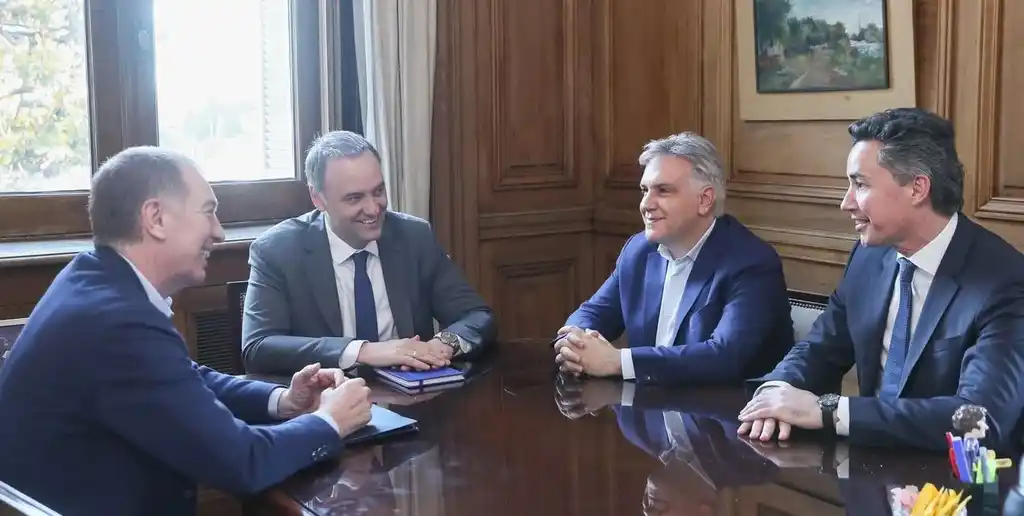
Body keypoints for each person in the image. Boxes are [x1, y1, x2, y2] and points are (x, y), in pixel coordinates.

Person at [0, 147, 373, 515]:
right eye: (208, 213)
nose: (220, 233)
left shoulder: (92, 277)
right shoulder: (119, 323)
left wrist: (282, 401)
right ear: (156, 218)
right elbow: (244, 463)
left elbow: (184, 379)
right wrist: (329, 421)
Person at [738, 107, 1024, 454]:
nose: (846, 203)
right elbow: (820, 349)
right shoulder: (869, 258)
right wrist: (775, 391)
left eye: (860, 184)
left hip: (955, 489)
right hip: (868, 477)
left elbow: (980, 419)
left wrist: (829, 411)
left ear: (917, 188)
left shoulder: (1006, 282)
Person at [242, 131, 496, 376]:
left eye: (378, 191)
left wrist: (440, 346)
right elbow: (258, 347)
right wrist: (363, 352)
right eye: (354, 198)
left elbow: (476, 316)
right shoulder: (278, 251)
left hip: (411, 400)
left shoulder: (414, 237)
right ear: (318, 199)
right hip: (324, 405)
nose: (373, 209)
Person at [553, 132, 793, 385]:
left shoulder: (751, 262)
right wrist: (574, 343)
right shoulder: (639, 250)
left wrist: (617, 361)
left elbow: (725, 357)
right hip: (650, 410)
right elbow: (594, 312)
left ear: (705, 199)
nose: (646, 204)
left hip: (727, 415)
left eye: (663, 191)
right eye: (645, 190)